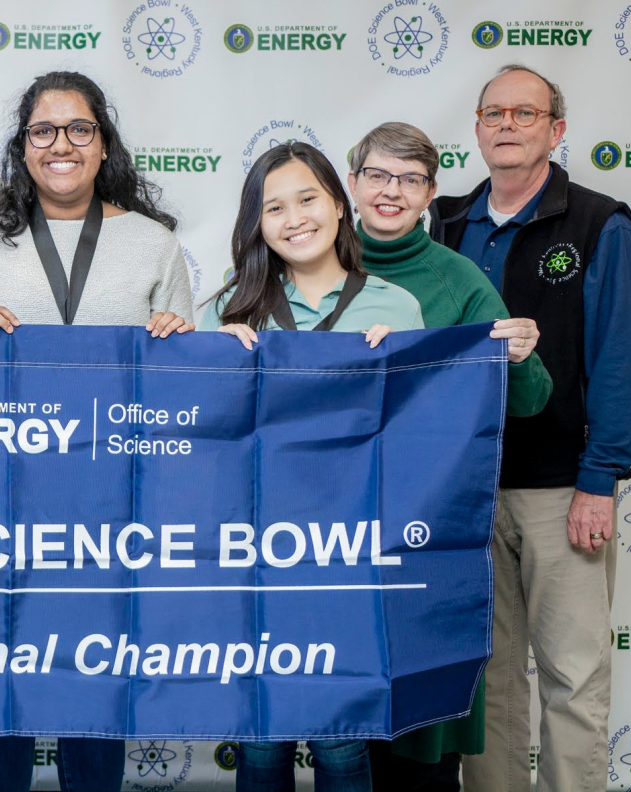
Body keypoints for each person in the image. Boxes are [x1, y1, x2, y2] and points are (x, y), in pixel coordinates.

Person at [0, 71, 194, 792]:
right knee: (1, 685)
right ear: (23, 147)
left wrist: (177, 336)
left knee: (94, 684)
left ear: (102, 143)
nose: (61, 144)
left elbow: (180, 395)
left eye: (79, 129)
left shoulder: (153, 244)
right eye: (43, 130)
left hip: (110, 507)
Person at [434, 66, 631, 792]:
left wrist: (601, 480)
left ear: (557, 131)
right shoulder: (447, 221)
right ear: (476, 126)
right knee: (484, 682)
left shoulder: (598, 222)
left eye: (525, 114)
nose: (506, 124)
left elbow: (619, 360)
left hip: (562, 490)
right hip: (464, 494)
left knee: (572, 676)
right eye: (493, 111)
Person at [200, 142, 423, 792]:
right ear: (256, 225)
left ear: (338, 204)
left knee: (341, 747)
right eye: (274, 207)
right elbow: (193, 449)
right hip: (254, 565)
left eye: (307, 198)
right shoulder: (225, 313)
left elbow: (420, 446)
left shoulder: (395, 308)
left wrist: (402, 371)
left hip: (348, 568)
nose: (295, 217)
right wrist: (210, 369)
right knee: (263, 746)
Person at [346, 121, 553, 790]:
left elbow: (528, 398)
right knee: (339, 733)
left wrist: (517, 353)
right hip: (324, 537)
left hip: (423, 535)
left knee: (419, 738)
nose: (390, 191)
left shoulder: (457, 277)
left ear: (431, 194)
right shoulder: (309, 253)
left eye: (409, 180)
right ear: (352, 183)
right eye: (377, 174)